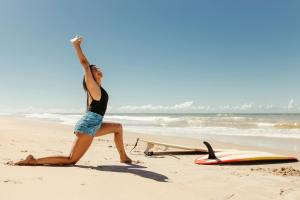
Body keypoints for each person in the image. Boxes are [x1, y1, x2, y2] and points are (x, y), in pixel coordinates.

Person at [14, 36, 132, 165]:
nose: (98, 68)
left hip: (95, 124)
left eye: (97, 67)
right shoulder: (92, 86)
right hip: (88, 126)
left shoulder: (98, 88)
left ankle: (123, 157)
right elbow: (85, 65)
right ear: (90, 76)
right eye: (94, 69)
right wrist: (76, 45)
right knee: (71, 160)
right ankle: (33, 161)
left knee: (118, 128)